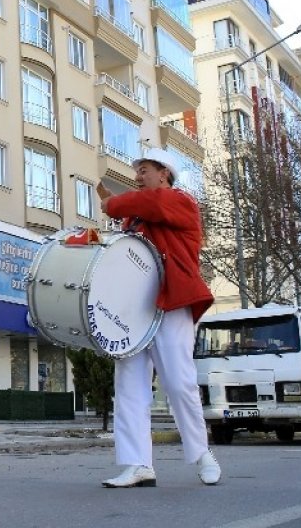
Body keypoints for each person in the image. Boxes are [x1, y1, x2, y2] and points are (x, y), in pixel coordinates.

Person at [96, 148, 220, 488]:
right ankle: (137, 464)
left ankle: (202, 454)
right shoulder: (136, 217)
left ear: (164, 173)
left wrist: (110, 204)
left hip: (172, 302)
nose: (138, 177)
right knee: (129, 385)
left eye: (144, 170)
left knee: (179, 382)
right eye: (138, 172)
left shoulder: (180, 201)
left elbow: (152, 204)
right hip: (135, 309)